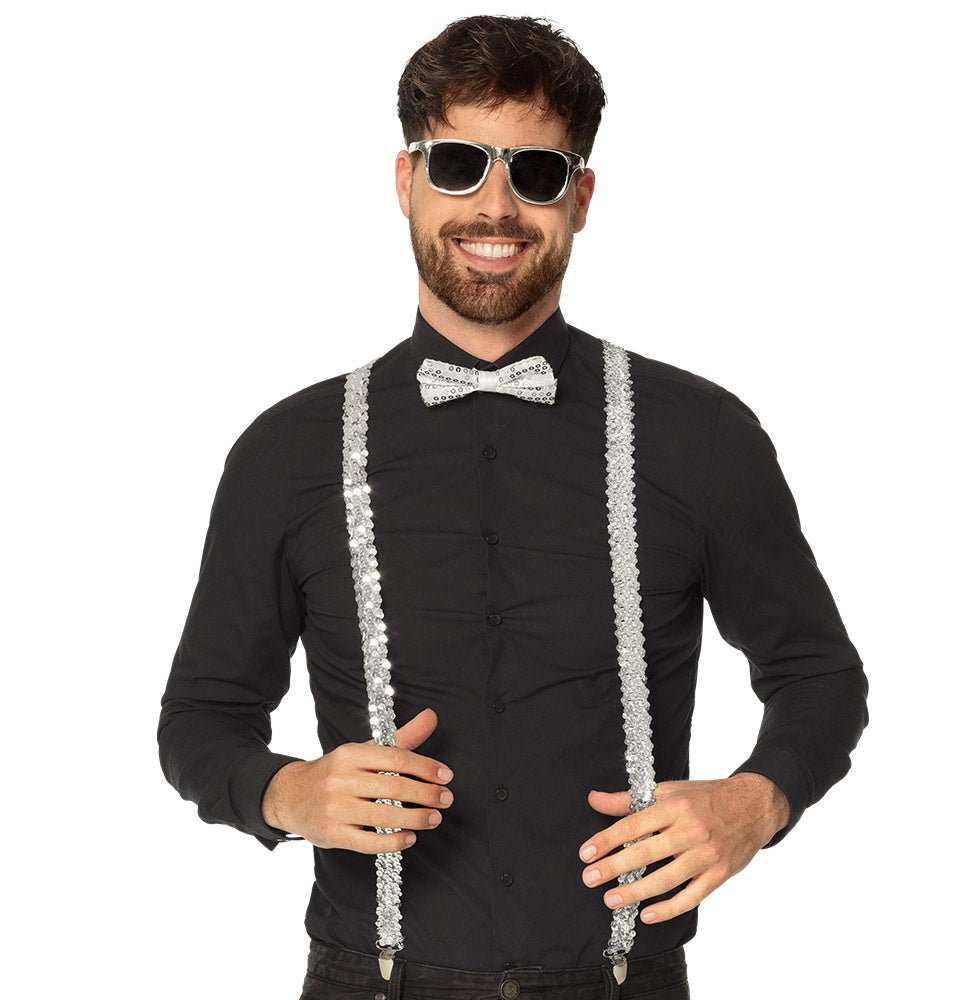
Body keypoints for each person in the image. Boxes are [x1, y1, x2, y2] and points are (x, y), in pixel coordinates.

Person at [158, 14, 869, 1000]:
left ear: (580, 197)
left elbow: (819, 675)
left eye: (535, 172)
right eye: (458, 165)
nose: (494, 206)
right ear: (406, 181)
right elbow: (200, 717)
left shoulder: (702, 436)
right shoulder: (286, 452)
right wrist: (288, 792)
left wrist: (756, 802)